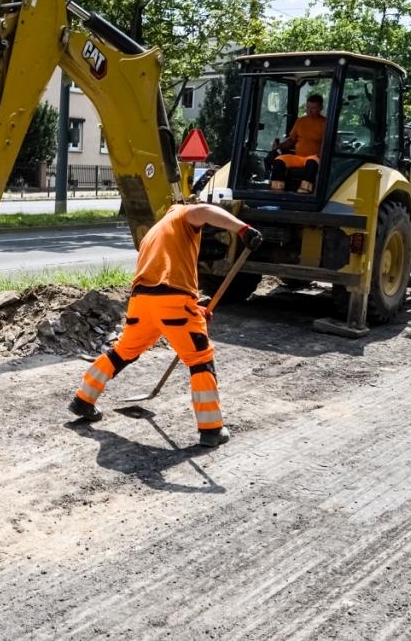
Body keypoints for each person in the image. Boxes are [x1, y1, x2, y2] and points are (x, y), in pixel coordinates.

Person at [67, 203, 263, 447]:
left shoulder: (156, 232)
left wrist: (196, 310)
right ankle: (212, 429)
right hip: (172, 302)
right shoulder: (183, 215)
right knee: (200, 358)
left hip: (142, 302)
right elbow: (204, 211)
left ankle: (83, 399)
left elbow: (163, 281)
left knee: (122, 352)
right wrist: (242, 229)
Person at [270, 93, 326, 193]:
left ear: (321, 108)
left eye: (313, 108)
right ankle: (277, 190)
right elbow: (292, 140)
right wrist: (280, 145)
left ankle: (304, 191)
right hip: (299, 157)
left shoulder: (325, 123)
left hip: (314, 157)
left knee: (311, 163)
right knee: (279, 160)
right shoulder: (300, 121)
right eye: (308, 107)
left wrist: (322, 154)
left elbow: (327, 142)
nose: (310, 110)